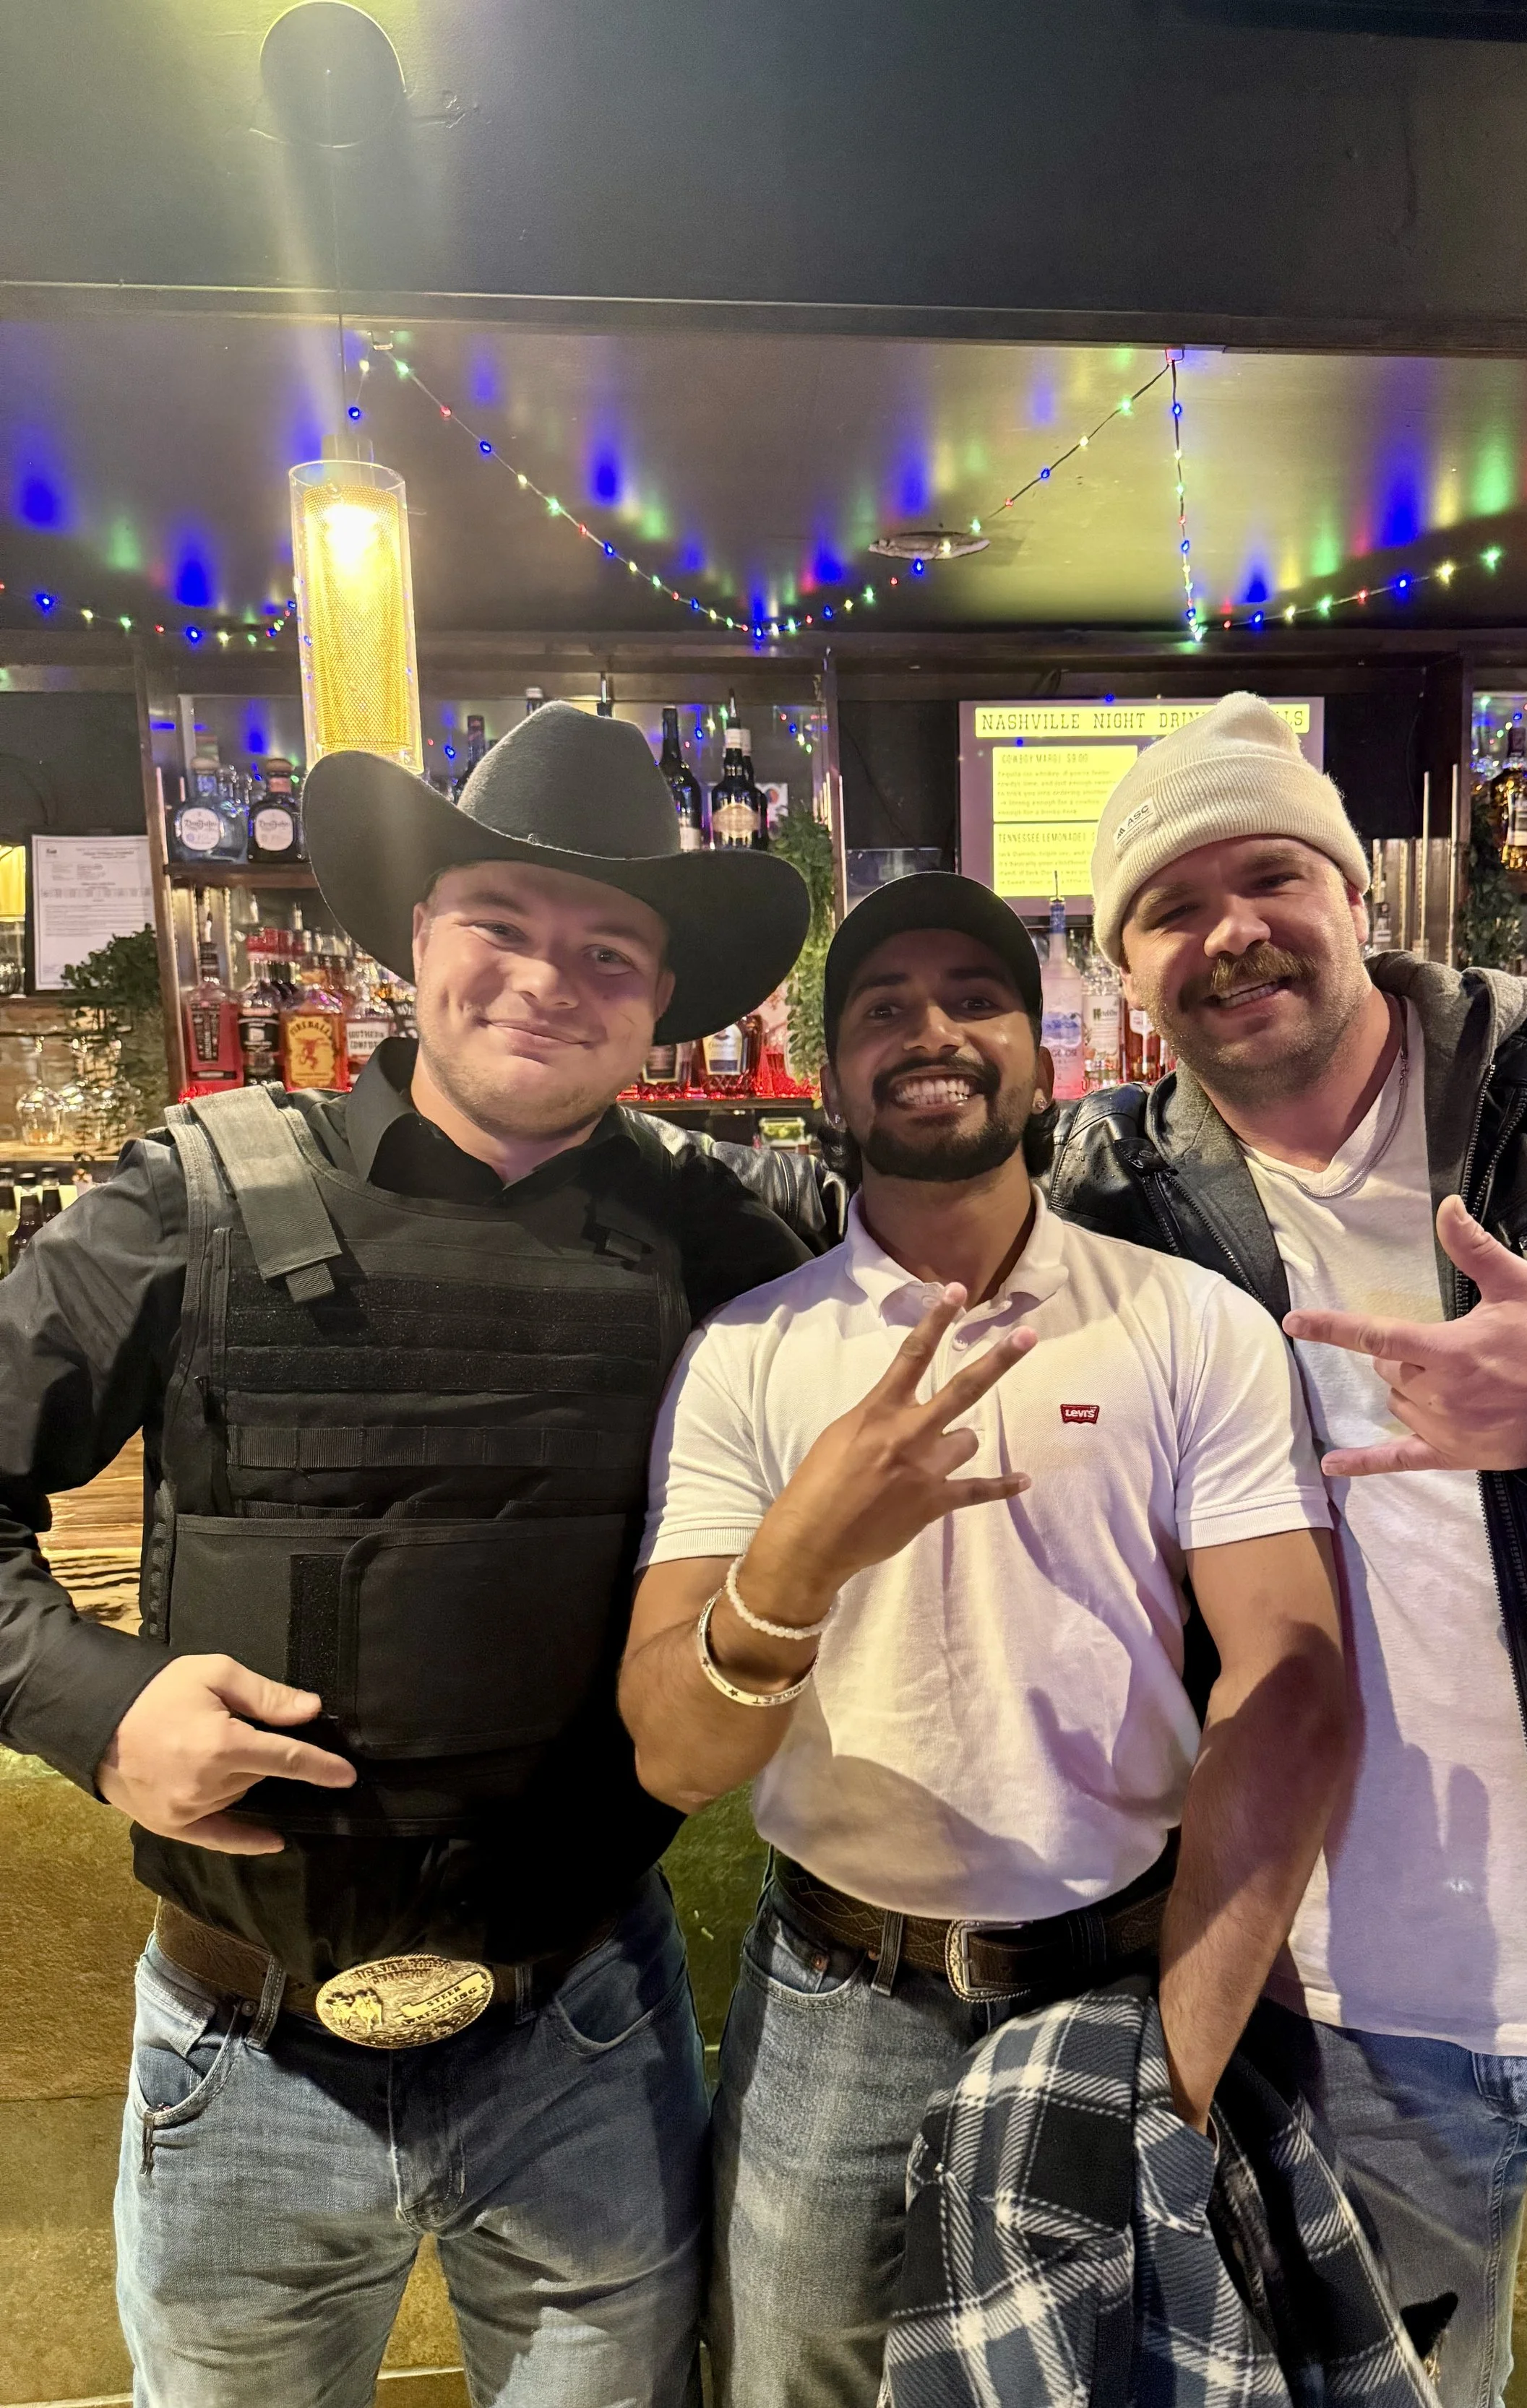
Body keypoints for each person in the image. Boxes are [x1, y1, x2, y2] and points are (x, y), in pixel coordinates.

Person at [0, 702, 812, 2408]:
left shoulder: (717, 1231)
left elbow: (972, 1267)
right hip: (244, 2059)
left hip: (585, 2032)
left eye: (607, 949)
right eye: (500, 924)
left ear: (659, 1003)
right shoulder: (191, 1196)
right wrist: (97, 1706)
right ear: (415, 938)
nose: (546, 976)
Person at [1048, 690, 1527, 2408]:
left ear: (1354, 895)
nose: (1228, 931)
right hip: (1338, 2006)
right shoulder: (1106, 1186)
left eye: (1267, 876)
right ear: (1125, 971)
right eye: (1170, 906)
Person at [618, 870, 1349, 2407]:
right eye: (880, 1008)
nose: (927, 1030)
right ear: (830, 1077)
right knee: (791, 2382)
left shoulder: (1185, 1324)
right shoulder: (751, 1354)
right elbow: (676, 1751)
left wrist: (1191, 2047)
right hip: (836, 1996)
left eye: (974, 998)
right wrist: (802, 1555)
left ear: (1043, 1055)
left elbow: (1290, 1682)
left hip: (1120, 1974)